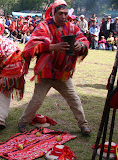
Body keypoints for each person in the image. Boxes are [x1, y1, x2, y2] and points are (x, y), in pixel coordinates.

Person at [18, 0, 91, 136]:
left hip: (63, 74)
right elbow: (32, 45)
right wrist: (52, 47)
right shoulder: (43, 26)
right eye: (60, 14)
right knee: (37, 100)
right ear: (53, 14)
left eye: (65, 13)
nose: (63, 16)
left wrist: (80, 46)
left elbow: (84, 40)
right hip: (45, 73)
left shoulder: (72, 27)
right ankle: (23, 122)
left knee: (74, 99)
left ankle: (83, 125)